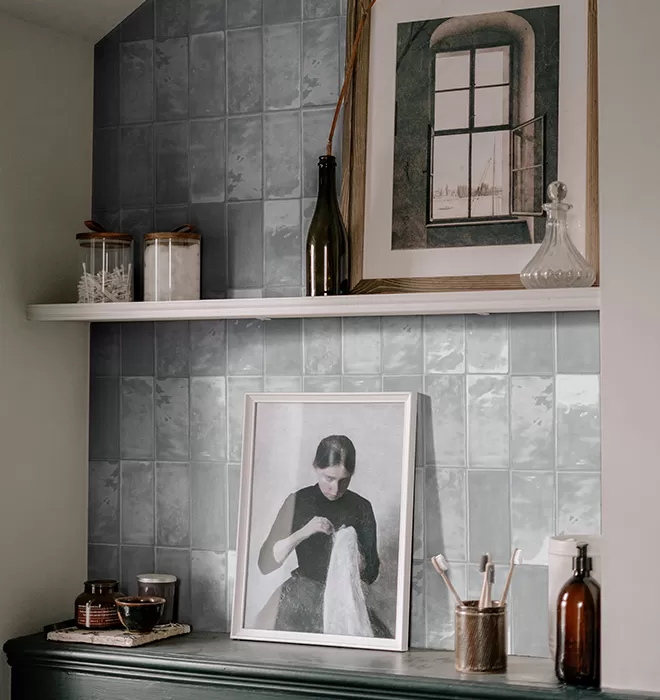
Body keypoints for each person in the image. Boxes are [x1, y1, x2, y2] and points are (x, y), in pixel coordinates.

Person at [258, 435, 389, 637]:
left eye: (344, 480)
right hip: (302, 596)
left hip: (345, 600)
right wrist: (304, 531)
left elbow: (371, 574)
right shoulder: (299, 501)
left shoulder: (361, 507)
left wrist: (357, 557)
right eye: (329, 478)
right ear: (316, 468)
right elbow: (265, 564)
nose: (336, 489)